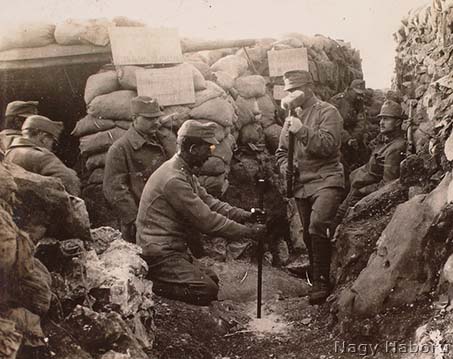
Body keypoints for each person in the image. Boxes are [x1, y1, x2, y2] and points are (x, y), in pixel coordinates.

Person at [136, 120, 265, 306]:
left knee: (212, 278)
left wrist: (245, 215)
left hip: (173, 250)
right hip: (159, 254)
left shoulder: (183, 172)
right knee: (206, 290)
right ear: (194, 148)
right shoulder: (174, 179)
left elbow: (210, 203)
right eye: (208, 147)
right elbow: (207, 220)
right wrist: (249, 232)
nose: (211, 153)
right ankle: (150, 285)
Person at [275, 70, 345, 305]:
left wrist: (302, 130)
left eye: (295, 90)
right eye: (288, 91)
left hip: (326, 179)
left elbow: (328, 145)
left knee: (317, 225)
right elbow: (282, 152)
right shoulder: (291, 117)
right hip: (302, 184)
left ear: (308, 88)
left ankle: (321, 281)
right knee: (307, 232)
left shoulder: (328, 112)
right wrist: (285, 166)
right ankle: (315, 271)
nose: (291, 95)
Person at [103, 96, 171, 243]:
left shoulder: (163, 140)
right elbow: (114, 189)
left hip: (168, 215)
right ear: (135, 118)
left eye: (157, 118)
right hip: (142, 220)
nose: (156, 123)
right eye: (149, 119)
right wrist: (134, 218)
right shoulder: (120, 148)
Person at [336, 99, 407, 220]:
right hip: (354, 187)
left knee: (337, 220)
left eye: (386, 119)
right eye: (381, 119)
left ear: (397, 123)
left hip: (360, 194)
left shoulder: (395, 148)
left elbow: (388, 185)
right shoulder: (386, 140)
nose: (381, 123)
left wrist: (362, 190)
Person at [5, 115, 81, 196]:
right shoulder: (42, 157)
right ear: (43, 138)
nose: (52, 148)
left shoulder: (8, 154)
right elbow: (71, 182)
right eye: (53, 142)